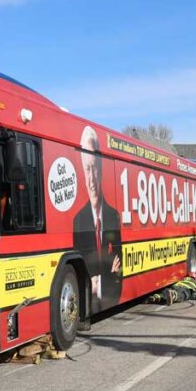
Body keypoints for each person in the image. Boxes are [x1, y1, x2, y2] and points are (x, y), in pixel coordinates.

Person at [73, 126, 122, 314]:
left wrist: (96, 281)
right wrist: (104, 276)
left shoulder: (113, 216)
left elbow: (118, 273)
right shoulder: (78, 221)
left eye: (94, 168)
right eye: (87, 169)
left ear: (101, 169)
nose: (91, 179)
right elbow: (111, 268)